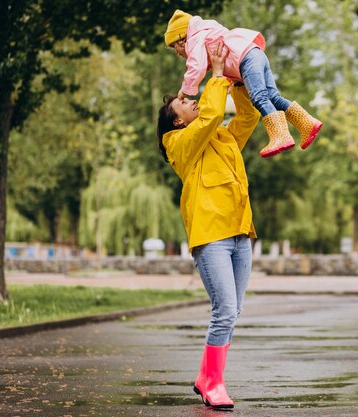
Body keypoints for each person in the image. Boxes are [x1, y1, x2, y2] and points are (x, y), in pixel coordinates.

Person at [156, 42, 256, 410]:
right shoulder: (178, 142)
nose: (192, 100)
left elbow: (245, 120)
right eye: (184, 102)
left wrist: (239, 81)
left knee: (233, 312)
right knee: (224, 311)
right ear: (177, 120)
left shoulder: (219, 135)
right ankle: (213, 383)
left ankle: (206, 377)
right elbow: (212, 114)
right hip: (210, 237)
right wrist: (215, 76)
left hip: (239, 233)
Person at [164, 9, 322, 158]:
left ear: (182, 40)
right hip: (254, 53)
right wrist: (233, 81)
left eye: (174, 47)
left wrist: (184, 90)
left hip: (245, 60)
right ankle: (307, 123)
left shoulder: (194, 40)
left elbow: (196, 67)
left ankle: (280, 135)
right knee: (273, 97)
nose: (177, 53)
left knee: (259, 98)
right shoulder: (207, 32)